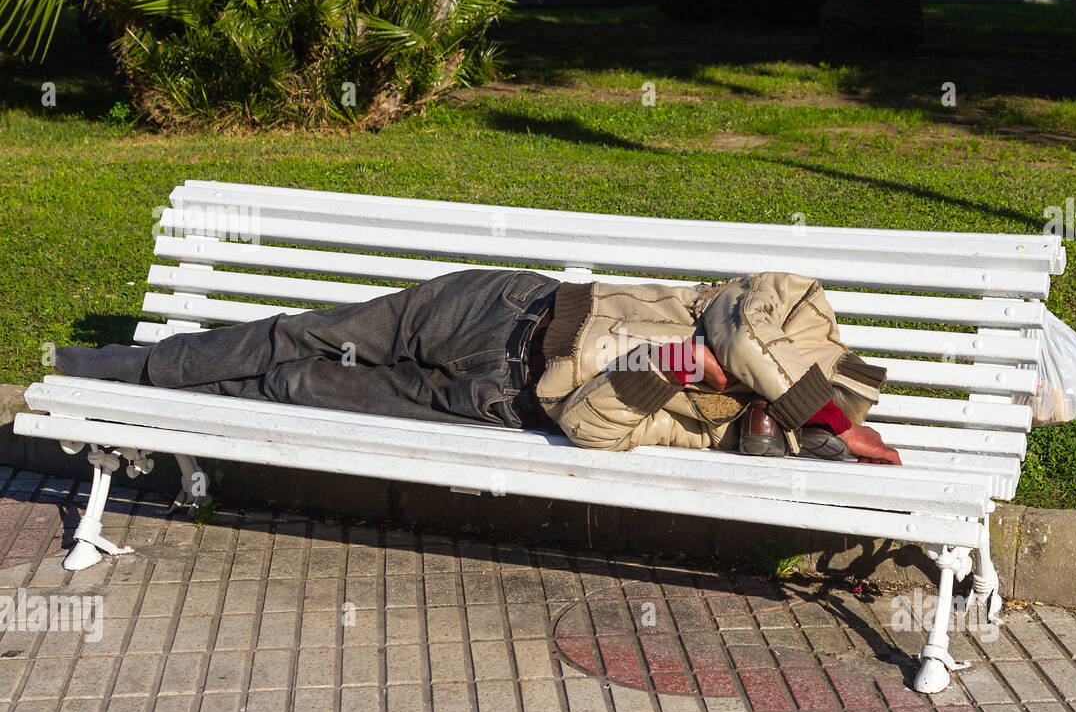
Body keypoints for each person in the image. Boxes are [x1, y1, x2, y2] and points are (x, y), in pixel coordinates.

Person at [55, 268, 902, 465]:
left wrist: (682, 369)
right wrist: (814, 412)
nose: (757, 426)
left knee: (299, 383)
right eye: (776, 420)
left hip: (493, 400)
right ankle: (117, 369)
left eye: (767, 434)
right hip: (500, 307)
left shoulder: (706, 429)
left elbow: (588, 424)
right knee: (304, 335)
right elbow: (749, 312)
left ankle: (143, 388)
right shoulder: (794, 318)